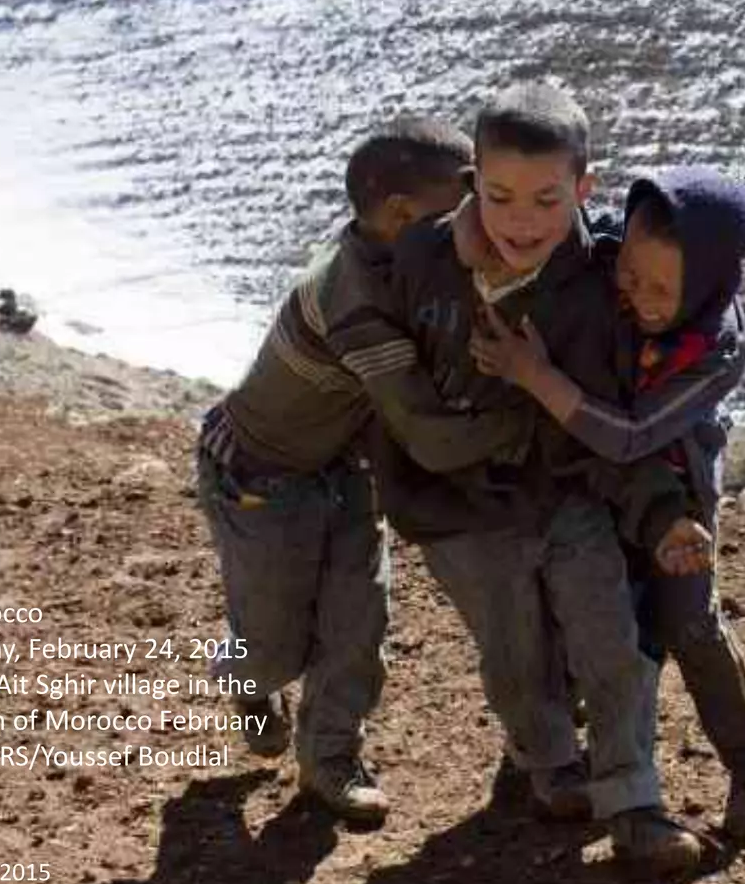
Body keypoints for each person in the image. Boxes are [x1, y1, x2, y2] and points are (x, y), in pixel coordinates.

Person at [378, 82, 710, 874]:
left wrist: (661, 510)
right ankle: (550, 765)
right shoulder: (423, 259)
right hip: (463, 510)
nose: (521, 221)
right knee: (515, 651)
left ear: (585, 190)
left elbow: (613, 413)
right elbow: (385, 378)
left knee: (611, 644)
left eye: (546, 199)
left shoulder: (599, 285)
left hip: (571, 494)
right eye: (498, 197)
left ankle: (634, 801)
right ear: (472, 187)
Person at [197, 117, 527, 825]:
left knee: (357, 625)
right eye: (464, 201)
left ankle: (330, 760)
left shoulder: (396, 256)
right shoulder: (356, 302)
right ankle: (244, 683)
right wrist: (541, 409)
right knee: (272, 647)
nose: (485, 215)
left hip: (343, 469)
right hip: (260, 479)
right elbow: (433, 439)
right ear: (402, 215)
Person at [467, 165, 745, 843]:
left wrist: (536, 376)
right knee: (585, 612)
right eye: (631, 277)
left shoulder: (717, 348)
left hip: (673, 489)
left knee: (686, 621)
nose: (638, 296)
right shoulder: (609, 257)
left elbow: (634, 434)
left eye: (662, 290)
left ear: (703, 286)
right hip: (586, 472)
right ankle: (548, 756)